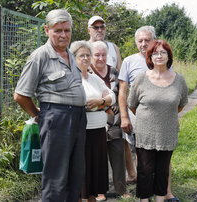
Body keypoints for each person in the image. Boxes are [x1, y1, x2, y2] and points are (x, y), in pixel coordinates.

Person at [13, 9, 86, 202]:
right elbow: (20, 95)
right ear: (47, 30)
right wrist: (39, 114)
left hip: (78, 118)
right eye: (58, 30)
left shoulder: (71, 55)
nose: (63, 35)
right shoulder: (40, 56)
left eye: (67, 30)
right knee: (56, 178)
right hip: (56, 119)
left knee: (75, 174)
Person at [118, 26, 179, 202]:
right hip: (139, 118)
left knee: (163, 158)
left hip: (163, 120)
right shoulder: (129, 62)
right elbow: (123, 92)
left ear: (154, 40)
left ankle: (166, 193)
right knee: (143, 160)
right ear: (136, 42)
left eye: (147, 40)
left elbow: (173, 89)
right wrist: (125, 116)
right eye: (140, 40)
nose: (144, 44)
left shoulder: (162, 58)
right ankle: (144, 195)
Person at [128, 39, 188, 202]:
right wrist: (149, 117)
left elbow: (181, 105)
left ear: (169, 56)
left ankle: (161, 199)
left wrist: (165, 115)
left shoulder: (179, 80)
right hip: (145, 133)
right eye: (155, 53)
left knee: (162, 170)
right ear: (149, 57)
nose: (159, 56)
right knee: (145, 170)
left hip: (167, 132)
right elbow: (132, 105)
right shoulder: (141, 78)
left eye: (163, 52)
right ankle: (144, 199)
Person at [70, 40, 116, 202]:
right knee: (82, 171)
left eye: (88, 55)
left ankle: (91, 198)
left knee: (95, 171)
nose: (85, 58)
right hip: (80, 132)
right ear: (73, 58)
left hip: (98, 131)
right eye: (81, 55)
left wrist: (101, 102)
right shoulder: (71, 79)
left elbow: (112, 96)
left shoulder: (94, 78)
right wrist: (94, 103)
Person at [90, 41, 131, 200]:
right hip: (94, 122)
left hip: (115, 120)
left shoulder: (114, 71)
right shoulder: (86, 72)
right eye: (97, 55)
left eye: (103, 55)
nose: (100, 58)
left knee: (118, 155)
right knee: (98, 157)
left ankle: (121, 189)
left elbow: (122, 95)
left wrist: (124, 116)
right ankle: (100, 191)